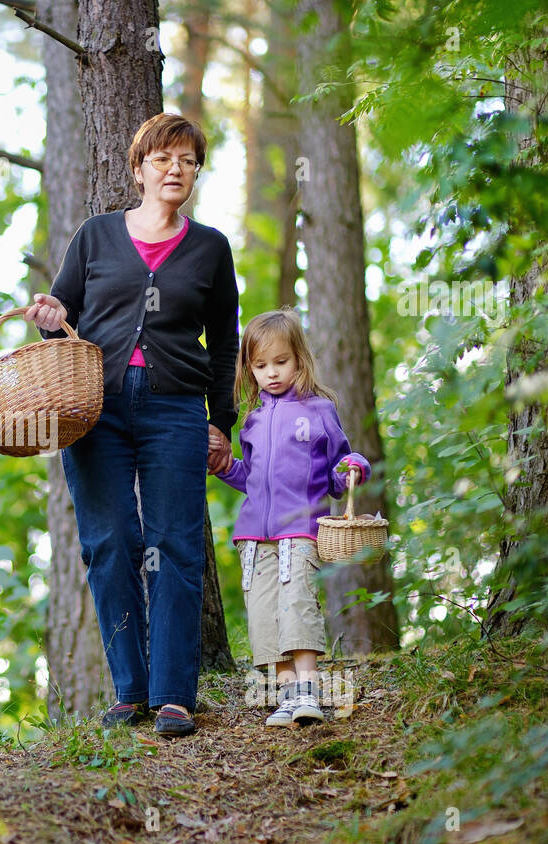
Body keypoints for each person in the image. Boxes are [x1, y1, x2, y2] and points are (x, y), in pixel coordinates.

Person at [25, 113, 241, 737]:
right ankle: (130, 690)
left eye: (189, 162)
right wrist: (48, 311)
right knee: (109, 540)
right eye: (163, 159)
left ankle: (175, 694)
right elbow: (59, 311)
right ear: (139, 168)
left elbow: (225, 343)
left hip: (176, 408)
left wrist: (220, 421)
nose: (176, 170)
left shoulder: (210, 247)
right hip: (96, 407)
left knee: (175, 542)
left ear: (197, 172)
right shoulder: (95, 236)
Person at [211, 306, 370, 726]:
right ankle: (284, 695)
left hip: (301, 528)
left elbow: (339, 472)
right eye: (261, 366)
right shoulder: (252, 420)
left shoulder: (318, 410)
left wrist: (354, 466)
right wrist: (227, 468)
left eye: (281, 362)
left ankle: (309, 690)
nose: (272, 373)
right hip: (253, 535)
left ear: (299, 358)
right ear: (249, 368)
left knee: (297, 605)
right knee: (263, 613)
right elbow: (253, 479)